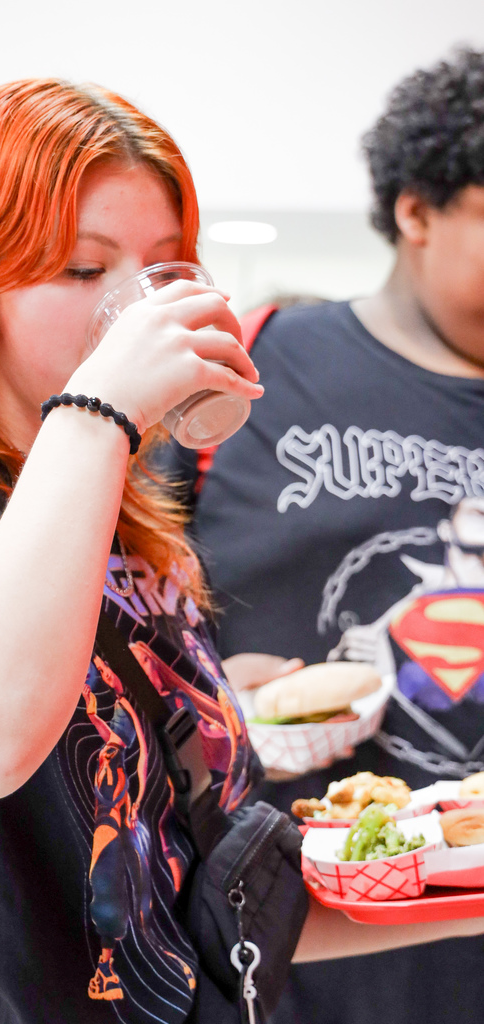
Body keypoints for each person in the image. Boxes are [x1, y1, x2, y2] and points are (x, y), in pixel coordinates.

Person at [0, 78, 484, 1024]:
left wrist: (455, 879)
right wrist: (100, 412)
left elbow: (215, 892)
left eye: (163, 266)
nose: (131, 304)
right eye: (84, 271)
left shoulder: (127, 520)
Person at [182, 48, 484, 1024]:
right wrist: (205, 705)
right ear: (417, 209)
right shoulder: (251, 369)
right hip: (283, 958)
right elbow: (112, 628)